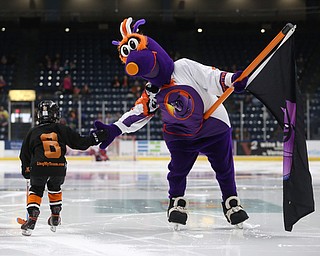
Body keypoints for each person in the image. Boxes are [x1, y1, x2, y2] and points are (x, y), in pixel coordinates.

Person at [95, 17, 249, 228]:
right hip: (181, 134)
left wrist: (232, 80)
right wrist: (115, 128)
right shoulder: (152, 90)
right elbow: (140, 112)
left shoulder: (184, 66)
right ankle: (176, 201)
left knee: (224, 167)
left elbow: (211, 77)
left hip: (213, 125)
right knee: (177, 170)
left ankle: (231, 202)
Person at [19, 100, 108, 236]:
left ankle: (32, 217)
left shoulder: (33, 132)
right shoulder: (61, 129)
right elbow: (81, 143)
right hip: (59, 167)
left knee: (36, 190)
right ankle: (55, 216)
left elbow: (24, 154)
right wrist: (96, 137)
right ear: (55, 114)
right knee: (55, 188)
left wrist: (26, 170)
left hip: (39, 166)